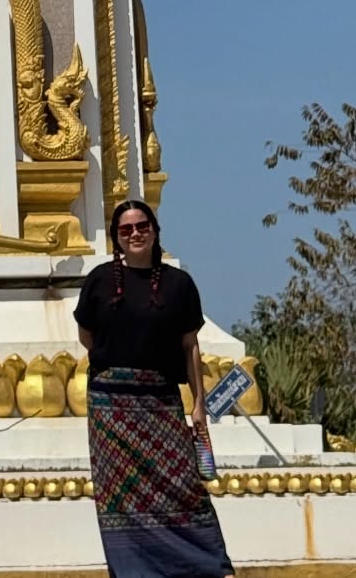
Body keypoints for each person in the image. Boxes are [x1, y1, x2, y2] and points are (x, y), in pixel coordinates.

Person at [75, 200, 233, 578]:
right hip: (111, 408)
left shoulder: (179, 284)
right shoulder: (99, 280)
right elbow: (86, 335)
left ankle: (209, 566)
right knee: (121, 496)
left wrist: (199, 404)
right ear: (116, 237)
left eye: (142, 226)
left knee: (183, 487)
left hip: (160, 400)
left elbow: (190, 346)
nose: (135, 234)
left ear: (155, 230)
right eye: (126, 229)